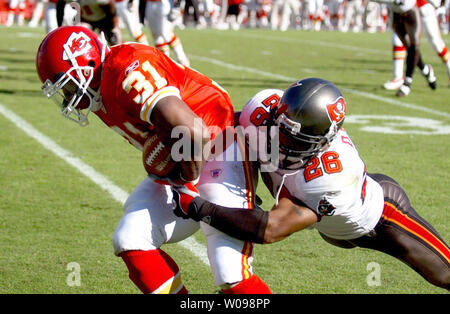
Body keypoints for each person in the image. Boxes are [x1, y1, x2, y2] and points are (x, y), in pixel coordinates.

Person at [35, 25, 271, 294]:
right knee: (131, 239)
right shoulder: (101, 87)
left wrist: (186, 183)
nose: (69, 99)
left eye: (67, 86)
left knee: (231, 272)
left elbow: (193, 131)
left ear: (86, 64)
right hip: (185, 159)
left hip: (219, 150)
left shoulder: (128, 71)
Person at [172, 78, 450, 290]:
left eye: (295, 141)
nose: (282, 143)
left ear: (322, 142)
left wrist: (200, 207)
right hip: (328, 224)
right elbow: (231, 131)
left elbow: (271, 228)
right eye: (280, 130)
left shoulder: (332, 174)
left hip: (381, 220)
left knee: (445, 273)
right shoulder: (263, 109)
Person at [373, 0, 436, 96]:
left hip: (411, 11)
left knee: (414, 46)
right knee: (410, 49)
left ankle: (407, 82)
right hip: (396, 15)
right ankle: (426, 70)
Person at [383, 0, 450, 90]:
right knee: (398, 40)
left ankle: (437, 69)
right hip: (405, 8)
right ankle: (398, 77)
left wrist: (438, 4)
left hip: (424, 7)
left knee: (436, 43)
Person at [144, 0, 190, 66]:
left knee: (166, 34)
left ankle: (182, 60)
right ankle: (165, 63)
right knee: (157, 36)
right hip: (149, 3)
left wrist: (177, 4)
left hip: (163, 3)